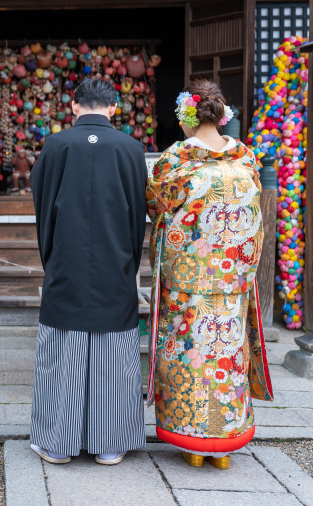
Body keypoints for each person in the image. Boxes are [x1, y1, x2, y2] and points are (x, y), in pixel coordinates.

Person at [146, 80, 273, 470]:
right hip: (230, 284)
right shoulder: (246, 159)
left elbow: (157, 209)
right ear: (223, 117)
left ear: (187, 116)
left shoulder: (174, 162)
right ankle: (223, 442)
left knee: (191, 360)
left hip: (188, 284)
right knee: (225, 360)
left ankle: (192, 442)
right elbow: (256, 219)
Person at [29, 79, 148, 466]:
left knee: (63, 350)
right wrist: (127, 257)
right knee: (114, 354)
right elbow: (137, 214)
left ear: (75, 107)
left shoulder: (55, 145)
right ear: (113, 109)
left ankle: (58, 445)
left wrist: (52, 255)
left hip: (66, 258)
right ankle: (109, 445)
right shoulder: (131, 149)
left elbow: (43, 204)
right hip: (116, 260)